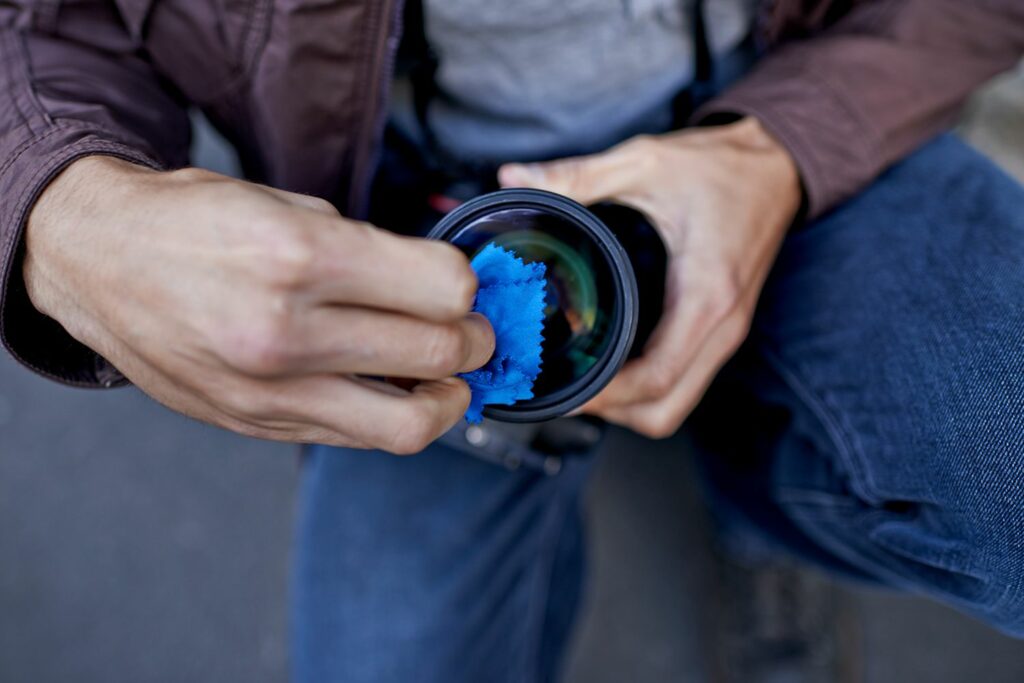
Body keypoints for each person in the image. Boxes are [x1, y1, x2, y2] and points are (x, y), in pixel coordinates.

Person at [2, 0, 1023, 681]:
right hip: (394, 214)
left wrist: (775, 150)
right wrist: (65, 212)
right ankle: (763, 478)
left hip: (791, 98)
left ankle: (761, 501)